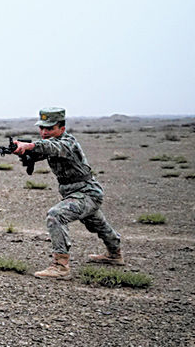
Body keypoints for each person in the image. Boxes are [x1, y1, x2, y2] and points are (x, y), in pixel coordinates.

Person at [12, 108, 124, 279]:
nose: (44, 132)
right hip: (76, 193)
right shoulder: (50, 143)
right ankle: (114, 254)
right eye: (42, 128)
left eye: (49, 129)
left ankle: (60, 266)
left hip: (87, 193)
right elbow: (40, 151)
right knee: (97, 224)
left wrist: (29, 145)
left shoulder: (67, 143)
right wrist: (22, 151)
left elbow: (51, 147)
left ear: (61, 129)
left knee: (56, 216)